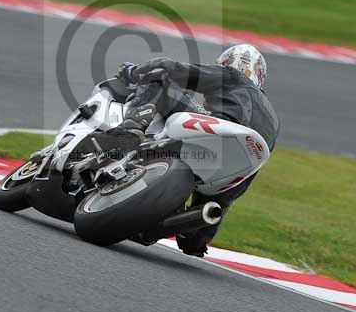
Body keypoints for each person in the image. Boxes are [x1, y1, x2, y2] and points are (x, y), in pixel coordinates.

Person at [99, 44, 280, 257]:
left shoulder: (232, 76)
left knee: (160, 78)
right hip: (233, 169)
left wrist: (134, 72)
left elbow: (172, 68)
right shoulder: (273, 122)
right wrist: (200, 239)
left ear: (226, 64)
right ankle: (190, 231)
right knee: (202, 225)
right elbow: (241, 181)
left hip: (218, 129)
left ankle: (131, 129)